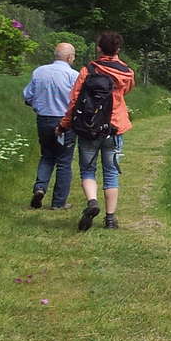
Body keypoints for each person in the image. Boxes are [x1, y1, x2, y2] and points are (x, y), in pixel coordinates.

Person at [58, 32, 135, 232]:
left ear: (99, 48)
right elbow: (126, 91)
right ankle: (110, 219)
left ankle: (92, 202)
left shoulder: (88, 70)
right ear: (118, 49)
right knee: (111, 172)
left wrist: (65, 124)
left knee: (87, 169)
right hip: (115, 127)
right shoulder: (127, 72)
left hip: (89, 127)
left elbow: (74, 101)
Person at [22, 42, 79, 209]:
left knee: (47, 156)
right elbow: (77, 100)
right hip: (64, 121)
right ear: (70, 57)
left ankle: (40, 188)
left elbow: (27, 96)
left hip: (43, 119)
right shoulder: (73, 75)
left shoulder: (39, 71)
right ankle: (58, 202)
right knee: (63, 160)